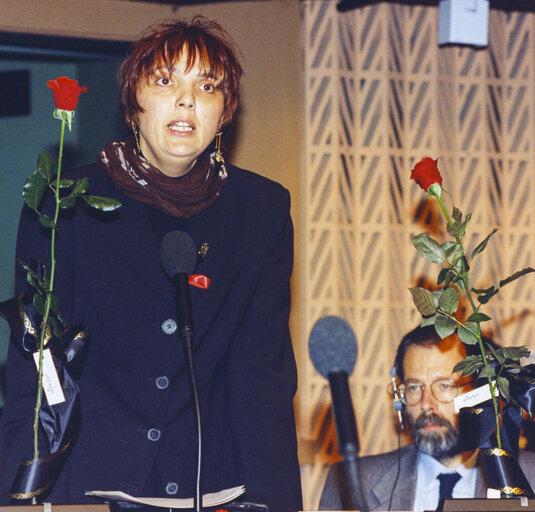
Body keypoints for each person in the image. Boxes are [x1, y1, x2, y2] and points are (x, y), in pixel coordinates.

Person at [0, 17, 302, 511]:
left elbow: (261, 378)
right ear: (133, 102)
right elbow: (35, 371)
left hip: (210, 487)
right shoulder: (65, 204)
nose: (186, 100)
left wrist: (279, 503)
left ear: (225, 112)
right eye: (165, 81)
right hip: (91, 482)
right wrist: (17, 499)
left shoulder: (260, 210)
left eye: (207, 86)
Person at [319, 325, 535, 510]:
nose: (426, 404)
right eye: (414, 387)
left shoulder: (530, 476)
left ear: (478, 392)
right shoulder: (351, 485)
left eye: (444, 386)